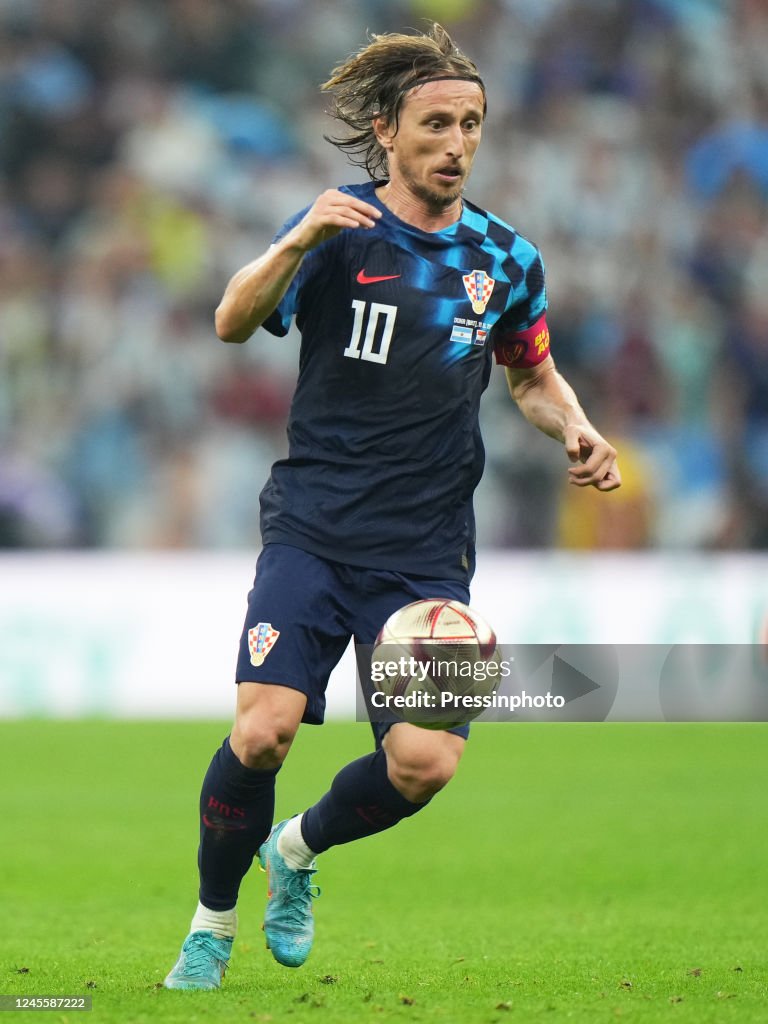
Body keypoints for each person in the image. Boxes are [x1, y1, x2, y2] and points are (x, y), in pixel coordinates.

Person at [164, 22, 621, 990]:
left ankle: (292, 851)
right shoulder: (341, 230)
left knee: (425, 764)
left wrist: (574, 426)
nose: (457, 143)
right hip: (315, 531)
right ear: (387, 128)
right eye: (437, 124)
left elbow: (532, 377)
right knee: (262, 731)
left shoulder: (506, 258)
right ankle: (210, 922)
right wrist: (297, 237)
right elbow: (230, 320)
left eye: (472, 124)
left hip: (424, 554)